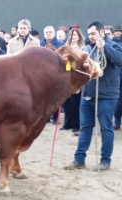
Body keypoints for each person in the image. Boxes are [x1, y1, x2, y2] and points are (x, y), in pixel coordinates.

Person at [67, 21, 122, 171]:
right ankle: (79, 159)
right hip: (87, 95)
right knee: (85, 127)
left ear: (102, 33)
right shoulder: (86, 49)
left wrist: (104, 47)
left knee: (106, 128)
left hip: (107, 96)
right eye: (89, 34)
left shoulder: (114, 46)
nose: (90, 36)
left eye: (93, 33)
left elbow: (119, 60)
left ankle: (105, 160)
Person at [60, 28, 85, 135]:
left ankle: (76, 125)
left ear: (79, 36)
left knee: (75, 103)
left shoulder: (82, 48)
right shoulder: (66, 48)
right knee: (66, 103)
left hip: (76, 78)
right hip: (66, 78)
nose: (72, 37)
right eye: (70, 35)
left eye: (75, 35)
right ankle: (67, 123)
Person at [40, 26, 64, 124]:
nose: (48, 34)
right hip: (43, 74)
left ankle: (56, 118)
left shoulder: (61, 45)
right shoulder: (39, 45)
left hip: (57, 74)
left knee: (56, 97)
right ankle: (45, 118)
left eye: (50, 32)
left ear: (54, 33)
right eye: (46, 32)